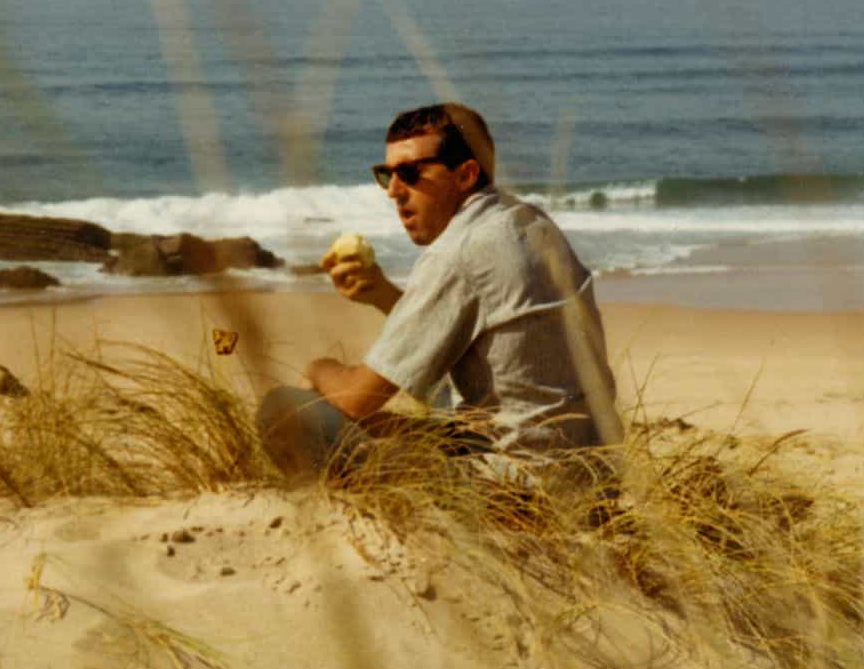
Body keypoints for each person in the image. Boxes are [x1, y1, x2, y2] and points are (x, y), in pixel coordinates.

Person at [259, 102, 619, 476]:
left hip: (520, 490)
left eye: (410, 173)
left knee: (284, 409)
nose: (394, 192)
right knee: (382, 426)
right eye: (387, 175)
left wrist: (318, 368)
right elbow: (453, 341)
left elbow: (356, 398)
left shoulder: (458, 252)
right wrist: (381, 292)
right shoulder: (530, 222)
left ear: (465, 175)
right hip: (593, 476)